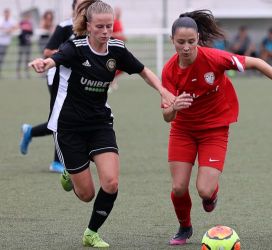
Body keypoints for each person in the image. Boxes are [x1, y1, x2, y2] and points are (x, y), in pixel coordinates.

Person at [28, 0, 174, 247]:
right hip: (68, 126)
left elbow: (142, 70)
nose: (106, 32)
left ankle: (91, 233)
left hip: (99, 124)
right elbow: (55, 59)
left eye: (109, 26)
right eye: (100, 27)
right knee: (86, 194)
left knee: (111, 182)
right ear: (88, 25)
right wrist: (44, 64)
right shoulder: (75, 46)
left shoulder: (116, 50)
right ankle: (70, 172)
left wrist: (162, 90)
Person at [161, 9, 272, 246]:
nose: (186, 47)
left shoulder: (214, 58)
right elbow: (167, 117)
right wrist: (174, 106)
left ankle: (212, 195)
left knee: (204, 191)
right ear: (172, 41)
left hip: (214, 129)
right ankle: (184, 227)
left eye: (190, 41)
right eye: (180, 42)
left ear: (198, 38)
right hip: (183, 130)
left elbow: (257, 62)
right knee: (178, 187)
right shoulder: (169, 71)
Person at [20, 0, 82, 173]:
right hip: (56, 76)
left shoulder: (91, 27)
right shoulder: (64, 26)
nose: (86, 8)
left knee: (68, 118)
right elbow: (47, 51)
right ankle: (57, 162)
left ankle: (30, 132)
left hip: (76, 79)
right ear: (74, 7)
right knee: (61, 117)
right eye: (82, 5)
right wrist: (68, 55)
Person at [0, 8, 17, 78]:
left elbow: (16, 27)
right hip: (0, 41)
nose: (7, 15)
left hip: (6, 42)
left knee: (2, 58)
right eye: (6, 13)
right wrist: (6, 30)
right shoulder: (1, 19)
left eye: (8, 13)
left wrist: (10, 29)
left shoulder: (11, 20)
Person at [17, 12, 33, 79]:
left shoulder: (30, 24)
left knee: (27, 59)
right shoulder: (21, 23)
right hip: (21, 44)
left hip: (28, 44)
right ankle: (18, 73)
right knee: (20, 59)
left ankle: (27, 73)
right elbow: (18, 33)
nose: (27, 18)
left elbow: (32, 33)